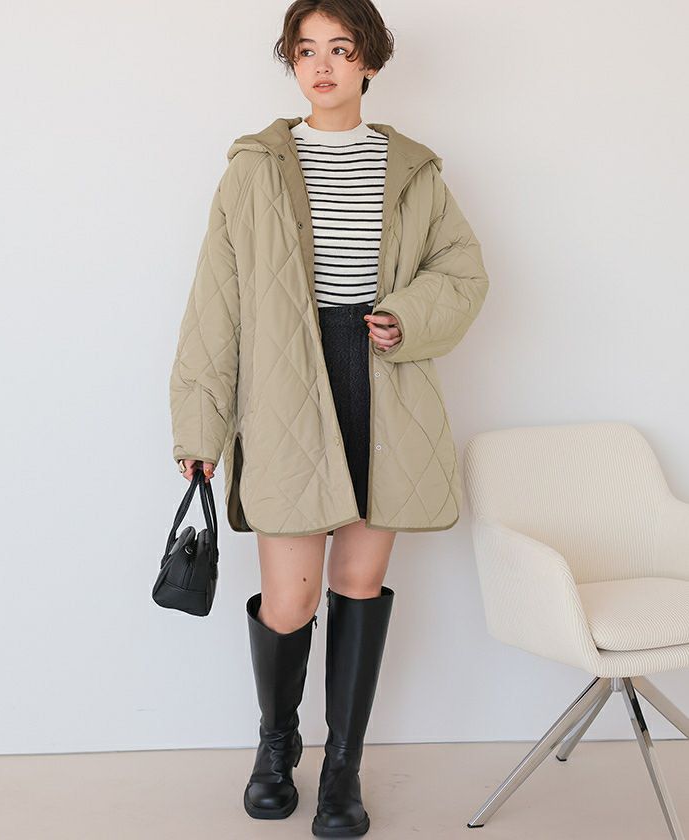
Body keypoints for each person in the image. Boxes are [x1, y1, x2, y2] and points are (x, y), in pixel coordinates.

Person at [168, 1, 490, 836]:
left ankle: (344, 768)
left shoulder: (412, 170)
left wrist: (407, 317)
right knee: (291, 597)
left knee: (356, 585)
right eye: (306, 50)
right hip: (285, 386)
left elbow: (462, 271)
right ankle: (277, 747)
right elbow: (216, 306)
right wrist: (201, 428)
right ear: (291, 60)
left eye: (341, 50)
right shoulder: (253, 169)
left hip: (380, 384)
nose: (322, 65)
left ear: (369, 62)